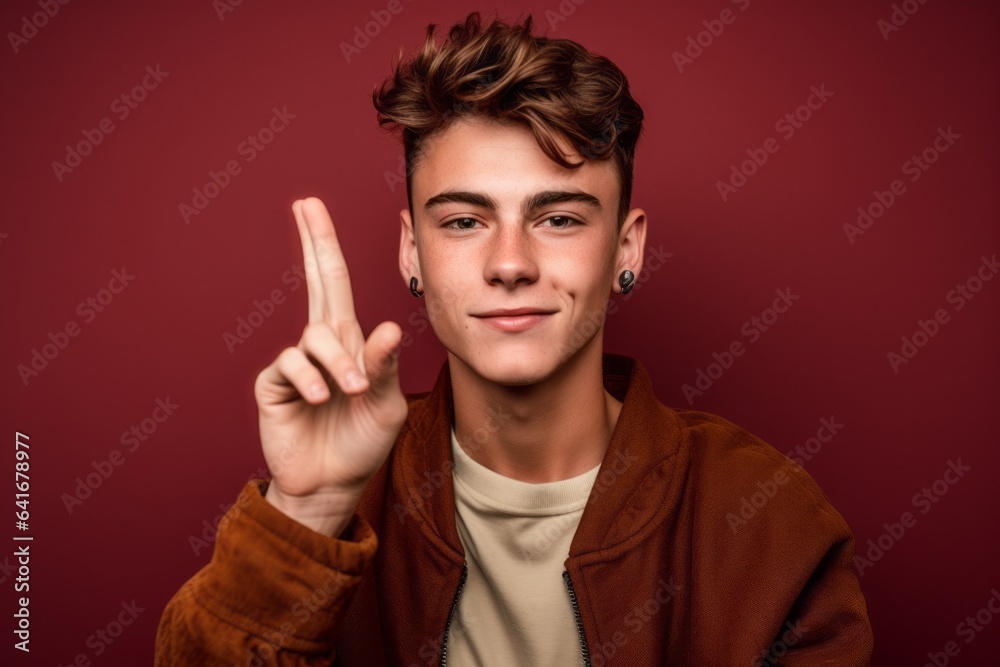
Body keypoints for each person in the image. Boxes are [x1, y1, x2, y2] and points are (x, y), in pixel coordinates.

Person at [155, 10, 872, 666]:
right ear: (412, 251)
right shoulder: (342, 498)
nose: (509, 264)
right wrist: (306, 514)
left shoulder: (767, 519)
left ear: (627, 248)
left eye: (559, 218)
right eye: (463, 220)